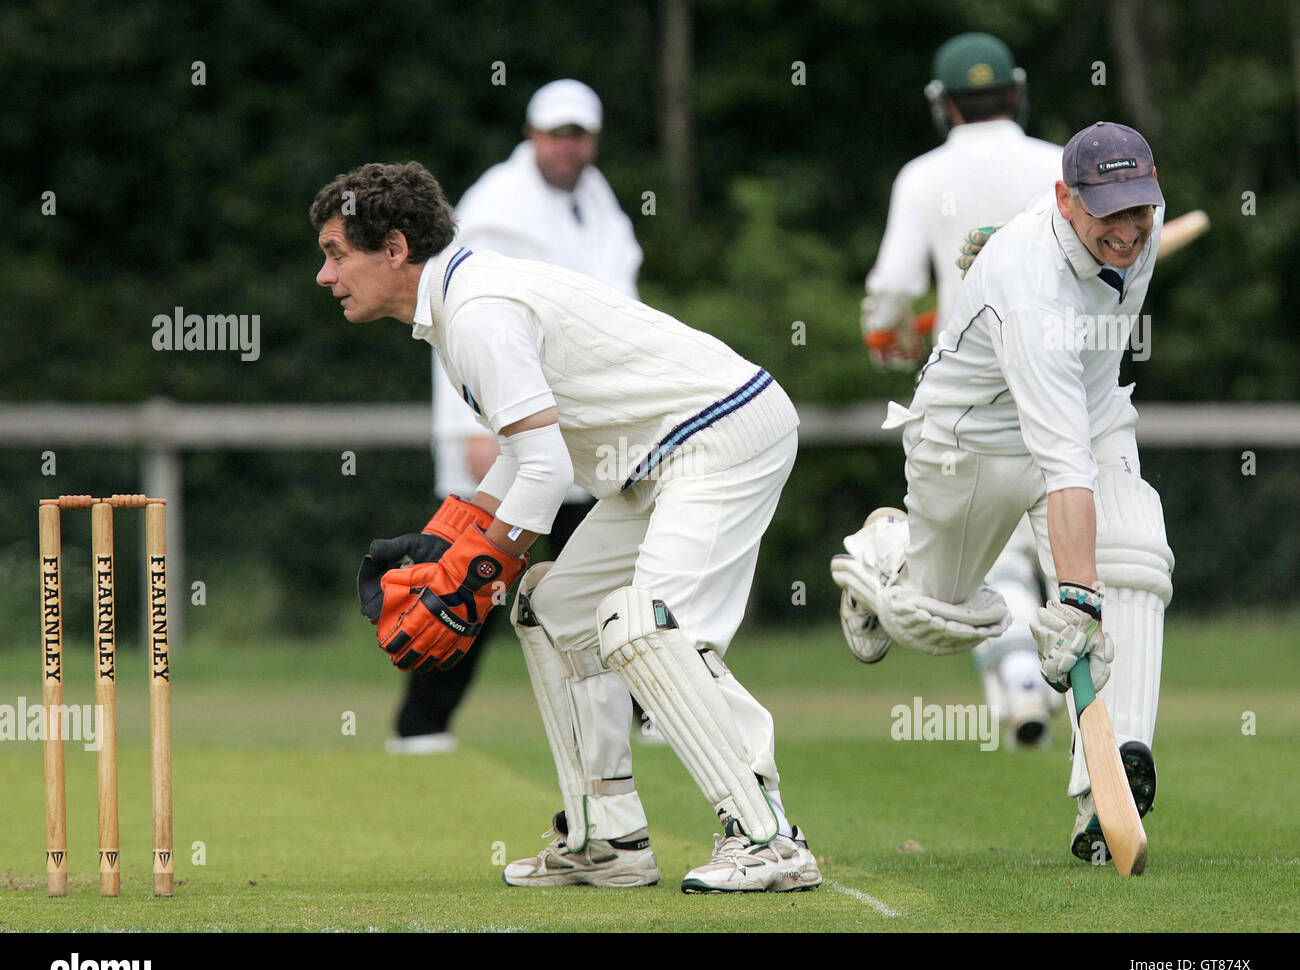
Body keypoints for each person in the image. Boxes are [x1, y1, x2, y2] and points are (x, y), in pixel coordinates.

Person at [312, 160, 821, 893]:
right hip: (655, 458)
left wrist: (476, 576)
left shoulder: (478, 309)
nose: (326, 276)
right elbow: (527, 453)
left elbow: (547, 470)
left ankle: (768, 836)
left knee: (652, 626)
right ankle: (608, 836)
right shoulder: (462, 301)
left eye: (335, 254)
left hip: (721, 432)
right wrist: (457, 535)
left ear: (393, 248)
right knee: (555, 612)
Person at [834, 122, 1172, 866]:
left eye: (1138, 209)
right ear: (1066, 199)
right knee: (939, 620)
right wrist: (1078, 598)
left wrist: (1088, 592)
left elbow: (1077, 449)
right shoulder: (1036, 297)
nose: (1128, 230)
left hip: (1089, 411)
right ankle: (880, 557)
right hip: (972, 440)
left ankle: (1108, 782)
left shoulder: (1139, 222)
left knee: (1139, 555)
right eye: (1107, 213)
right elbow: (1064, 469)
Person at [388, 79, 649, 753]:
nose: (569, 147)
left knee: (615, 570)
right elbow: (458, 317)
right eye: (557, 134)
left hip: (583, 426)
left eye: (580, 135)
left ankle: (648, 708)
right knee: (475, 573)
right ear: (532, 134)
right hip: (507, 425)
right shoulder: (495, 205)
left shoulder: (597, 200)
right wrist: (470, 428)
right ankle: (421, 725)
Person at [859, 32, 1065, 747]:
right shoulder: (1060, 168)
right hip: (1058, 385)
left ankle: (1019, 685)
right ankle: (1068, 702)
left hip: (968, 391)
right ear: (1016, 91)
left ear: (943, 105)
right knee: (1071, 555)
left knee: (987, 559)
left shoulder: (922, 175)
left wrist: (886, 332)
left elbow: (893, 288)